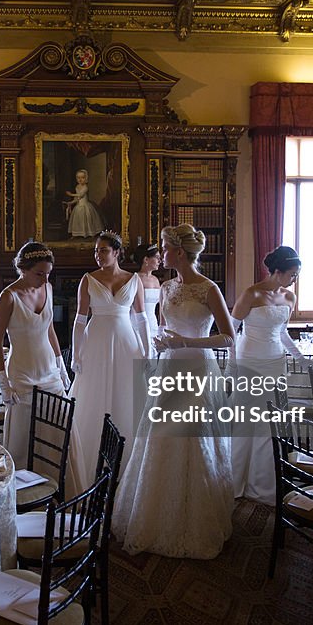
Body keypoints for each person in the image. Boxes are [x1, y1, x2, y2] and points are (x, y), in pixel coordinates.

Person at [112, 224, 236, 558]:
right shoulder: (166, 287)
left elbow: (228, 338)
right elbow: (164, 326)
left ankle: (194, 517)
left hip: (198, 370)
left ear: (179, 252)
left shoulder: (209, 289)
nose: (161, 253)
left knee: (193, 440)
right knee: (161, 439)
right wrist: (161, 344)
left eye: (164, 248)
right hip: (168, 368)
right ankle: (157, 517)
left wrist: (186, 341)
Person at [68, 231, 148, 491]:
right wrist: (77, 353)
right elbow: (80, 320)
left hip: (127, 343)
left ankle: (127, 470)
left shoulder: (134, 280)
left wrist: (147, 352)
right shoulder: (88, 279)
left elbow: (142, 318)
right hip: (97, 343)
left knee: (127, 397)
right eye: (96, 251)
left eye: (103, 250)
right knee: (94, 397)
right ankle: (90, 466)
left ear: (116, 252)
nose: (98, 255)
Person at [229, 246, 307, 506]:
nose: (294, 279)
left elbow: (283, 334)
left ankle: (262, 485)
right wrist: (232, 370)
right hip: (250, 361)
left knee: (268, 425)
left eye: (296, 275)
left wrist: (301, 359)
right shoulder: (251, 293)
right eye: (292, 274)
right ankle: (233, 481)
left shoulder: (290, 297)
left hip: (275, 363)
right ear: (277, 271)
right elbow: (231, 333)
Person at [0, 242, 70, 463]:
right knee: (23, 437)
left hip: (50, 371)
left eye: (48, 274)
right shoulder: (8, 297)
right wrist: (3, 383)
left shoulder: (49, 289)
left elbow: (50, 330)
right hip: (22, 374)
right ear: (23, 269)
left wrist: (61, 366)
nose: (45, 279)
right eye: (39, 274)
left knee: (58, 431)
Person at [131, 243, 162, 357]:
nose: (160, 260)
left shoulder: (156, 280)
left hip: (153, 322)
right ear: (146, 260)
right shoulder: (135, 278)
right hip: (137, 322)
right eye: (157, 258)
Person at [64, 169, 106, 238]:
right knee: (78, 220)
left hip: (86, 206)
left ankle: (89, 233)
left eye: (82, 178)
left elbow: (81, 195)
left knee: (87, 220)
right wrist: (71, 203)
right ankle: (77, 234)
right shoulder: (77, 187)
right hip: (78, 206)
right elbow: (77, 199)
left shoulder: (85, 187)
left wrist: (71, 194)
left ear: (86, 178)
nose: (80, 179)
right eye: (78, 178)